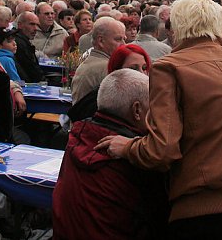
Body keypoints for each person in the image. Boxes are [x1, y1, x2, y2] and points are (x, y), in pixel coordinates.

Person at [96, 0, 222, 240]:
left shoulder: (170, 67)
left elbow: (162, 151)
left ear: (178, 28)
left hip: (207, 210)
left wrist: (127, 147)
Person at [53, 69, 169, 239]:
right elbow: (160, 219)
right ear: (137, 110)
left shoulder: (77, 138)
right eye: (153, 107)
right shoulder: (137, 157)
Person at [71, 17, 126, 103]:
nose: (123, 44)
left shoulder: (91, 61)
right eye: (118, 39)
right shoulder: (107, 68)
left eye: (124, 39)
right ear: (100, 41)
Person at [12, 11, 45, 83]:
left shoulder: (23, 41)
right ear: (20, 25)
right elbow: (31, 70)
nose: (36, 28)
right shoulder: (18, 43)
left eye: (37, 25)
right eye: (32, 24)